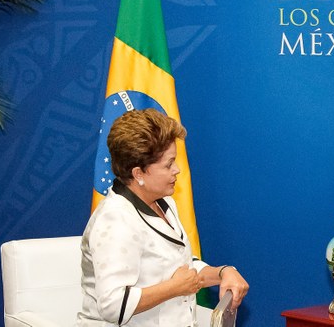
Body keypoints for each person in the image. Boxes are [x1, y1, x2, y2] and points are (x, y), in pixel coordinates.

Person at [77, 108, 249, 326]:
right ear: (138, 173)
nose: (177, 170)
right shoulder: (115, 220)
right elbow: (113, 306)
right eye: (168, 164)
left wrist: (223, 273)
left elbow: (179, 268)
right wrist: (174, 288)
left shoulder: (164, 202)